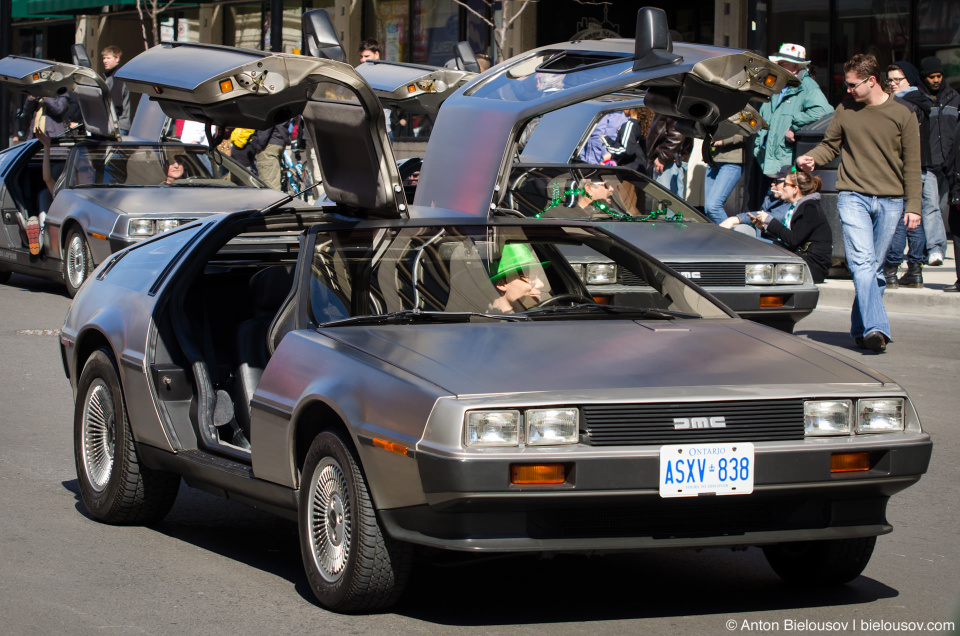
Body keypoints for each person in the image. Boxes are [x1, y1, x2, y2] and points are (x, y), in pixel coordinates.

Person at [796, 53, 921, 353]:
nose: (848, 90)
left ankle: (859, 326)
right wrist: (813, 158)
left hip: (891, 201)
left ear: (872, 80)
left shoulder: (903, 114)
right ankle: (877, 328)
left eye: (852, 85)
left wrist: (913, 206)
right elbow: (830, 146)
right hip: (853, 196)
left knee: (873, 269)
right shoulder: (845, 109)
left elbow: (913, 164)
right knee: (863, 264)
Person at [883, 61, 943, 289]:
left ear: (909, 79)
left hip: (906, 168)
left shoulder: (903, 105)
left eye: (898, 79)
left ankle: (890, 270)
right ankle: (915, 271)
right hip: (922, 167)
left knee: (901, 219)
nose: (892, 84)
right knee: (914, 220)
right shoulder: (924, 101)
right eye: (889, 80)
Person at [753, 43, 831, 190]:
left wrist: (794, 125)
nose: (778, 66)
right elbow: (763, 116)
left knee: (778, 208)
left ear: (796, 67)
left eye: (782, 64)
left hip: (786, 166)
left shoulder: (807, 86)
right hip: (766, 163)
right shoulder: (777, 85)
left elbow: (823, 110)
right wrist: (758, 146)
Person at [752, 170, 832, 283]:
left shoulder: (810, 208)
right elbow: (788, 239)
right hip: (800, 260)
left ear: (795, 189)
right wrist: (765, 227)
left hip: (812, 268)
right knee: (753, 241)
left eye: (785, 184)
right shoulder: (797, 207)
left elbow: (793, 240)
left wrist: (770, 221)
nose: (782, 188)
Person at [918, 56, 959, 268]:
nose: (936, 80)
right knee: (932, 206)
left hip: (951, 164)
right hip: (929, 162)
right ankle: (936, 249)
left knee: (944, 208)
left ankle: (931, 246)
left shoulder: (954, 98)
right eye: (931, 76)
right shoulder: (919, 99)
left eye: (939, 76)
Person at [719, 164, 792, 235]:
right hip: (764, 234)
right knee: (741, 229)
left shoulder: (793, 204)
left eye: (777, 181)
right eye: (773, 180)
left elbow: (774, 216)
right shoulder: (771, 197)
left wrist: (737, 219)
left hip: (778, 243)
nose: (773, 184)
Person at [702, 121, 746, 225]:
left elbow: (749, 133)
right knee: (708, 209)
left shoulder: (743, 107)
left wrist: (723, 140)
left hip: (732, 161)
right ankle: (718, 238)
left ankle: (733, 238)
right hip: (713, 158)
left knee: (713, 207)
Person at [488, 243, 547, 313]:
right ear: (502, 285)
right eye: (531, 278)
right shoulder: (489, 322)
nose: (541, 284)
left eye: (539, 277)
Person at [357, 39, 395, 142]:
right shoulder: (358, 73)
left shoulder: (385, 73)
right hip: (363, 130)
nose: (363, 60)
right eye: (361, 56)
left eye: (366, 56)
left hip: (382, 131)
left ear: (376, 55)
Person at [646, 113, 691, 196]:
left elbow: (677, 133)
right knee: (664, 201)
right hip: (667, 158)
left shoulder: (673, 104)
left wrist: (663, 157)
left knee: (666, 202)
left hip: (669, 160)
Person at [600, 108, 648, 173]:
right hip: (641, 169)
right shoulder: (642, 124)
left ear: (631, 108)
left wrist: (607, 141)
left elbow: (626, 150)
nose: (623, 109)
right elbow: (633, 147)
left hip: (629, 172)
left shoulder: (629, 125)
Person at [248, 123, 290, 191]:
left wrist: (258, 143)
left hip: (269, 144)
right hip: (277, 141)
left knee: (270, 185)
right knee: (272, 182)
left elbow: (267, 123)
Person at [102, 45, 131, 134]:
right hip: (115, 125)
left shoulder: (117, 77)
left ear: (117, 59)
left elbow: (116, 105)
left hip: (118, 126)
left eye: (108, 58)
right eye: (104, 58)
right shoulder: (110, 76)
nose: (105, 61)